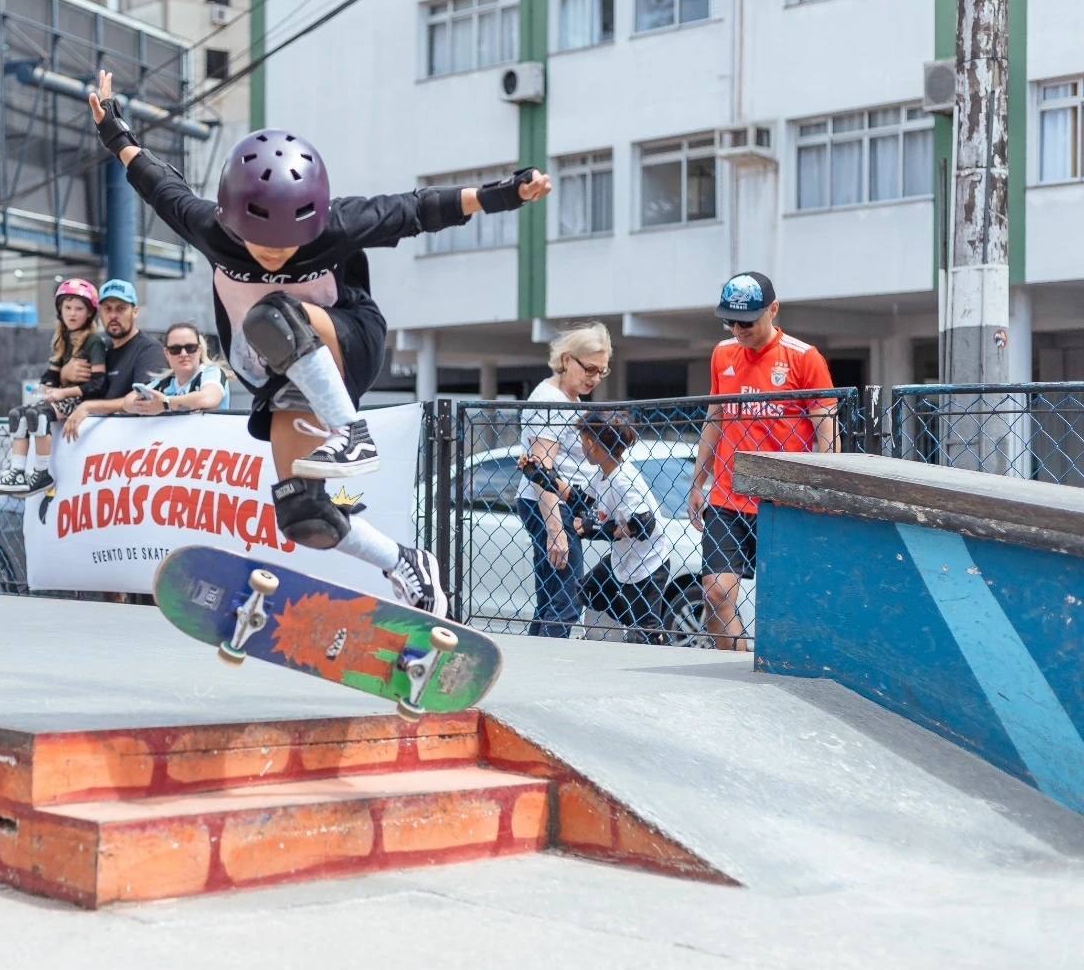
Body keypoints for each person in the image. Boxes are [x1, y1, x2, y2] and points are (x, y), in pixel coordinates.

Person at [85, 69, 552, 615]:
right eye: (260, 246)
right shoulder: (207, 226)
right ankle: (404, 562)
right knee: (303, 514)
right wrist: (115, 133)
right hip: (278, 377)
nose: (273, 256)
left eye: (286, 247)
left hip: (346, 343)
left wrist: (505, 195)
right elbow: (156, 181)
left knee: (273, 311)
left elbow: (419, 207)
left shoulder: (339, 224)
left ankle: (352, 432)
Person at [688, 272, 838, 651]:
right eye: (731, 321)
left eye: (747, 321)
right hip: (727, 496)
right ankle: (735, 675)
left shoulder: (804, 358)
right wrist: (697, 482)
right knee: (716, 595)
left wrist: (820, 493)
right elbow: (715, 418)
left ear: (773, 310)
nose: (738, 329)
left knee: (787, 603)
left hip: (782, 500)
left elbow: (826, 432)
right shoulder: (722, 353)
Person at [512, 323, 611, 636]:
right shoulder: (550, 399)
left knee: (551, 600)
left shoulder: (567, 397)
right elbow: (541, 468)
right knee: (566, 601)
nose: (594, 378)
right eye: (590, 369)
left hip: (556, 502)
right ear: (567, 360)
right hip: (549, 505)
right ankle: (551, 671)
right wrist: (556, 529)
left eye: (602, 372)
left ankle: (534, 671)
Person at [0, 279, 109, 495]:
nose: (72, 313)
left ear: (89, 313)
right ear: (60, 310)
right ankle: (17, 471)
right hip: (63, 398)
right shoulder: (62, 340)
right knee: (17, 414)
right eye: (68, 308)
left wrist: (62, 391)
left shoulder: (94, 342)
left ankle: (41, 473)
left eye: (79, 309)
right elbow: (49, 377)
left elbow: (99, 384)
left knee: (39, 416)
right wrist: (53, 383)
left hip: (82, 399)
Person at [573, 410, 669, 647]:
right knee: (588, 590)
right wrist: (543, 477)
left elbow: (644, 523)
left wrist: (600, 530)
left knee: (646, 632)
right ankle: (636, 624)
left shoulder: (624, 479)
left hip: (649, 564)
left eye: (582, 441)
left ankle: (650, 637)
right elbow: (580, 500)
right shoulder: (604, 474)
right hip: (623, 559)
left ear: (589, 443)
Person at [57, 279, 166, 437]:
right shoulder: (99, 347)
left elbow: (143, 401)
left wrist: (89, 407)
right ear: (100, 313)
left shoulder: (149, 349)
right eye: (107, 309)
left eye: (121, 308)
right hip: (92, 446)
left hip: (133, 444)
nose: (113, 315)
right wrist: (64, 374)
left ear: (134, 311)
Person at [125, 322, 231, 416]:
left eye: (190, 348)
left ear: (199, 350)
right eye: (175, 349)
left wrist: (165, 404)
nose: (183, 354)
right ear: (166, 353)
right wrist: (144, 405)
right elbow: (127, 402)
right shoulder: (164, 381)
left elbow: (208, 399)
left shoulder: (211, 373)